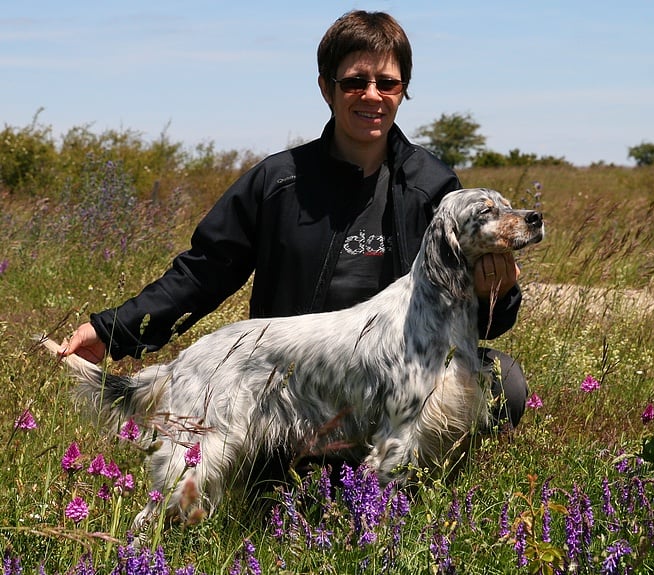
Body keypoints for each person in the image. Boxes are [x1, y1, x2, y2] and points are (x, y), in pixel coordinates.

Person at [61, 10, 528, 470]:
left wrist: (500, 292)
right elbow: (203, 272)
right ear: (326, 88)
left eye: (387, 83)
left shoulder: (434, 187)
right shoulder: (278, 181)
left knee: (504, 382)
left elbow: (479, 316)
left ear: (403, 90)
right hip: (287, 383)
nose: (372, 95)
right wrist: (111, 330)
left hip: (394, 380)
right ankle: (287, 471)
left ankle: (416, 484)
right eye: (355, 82)